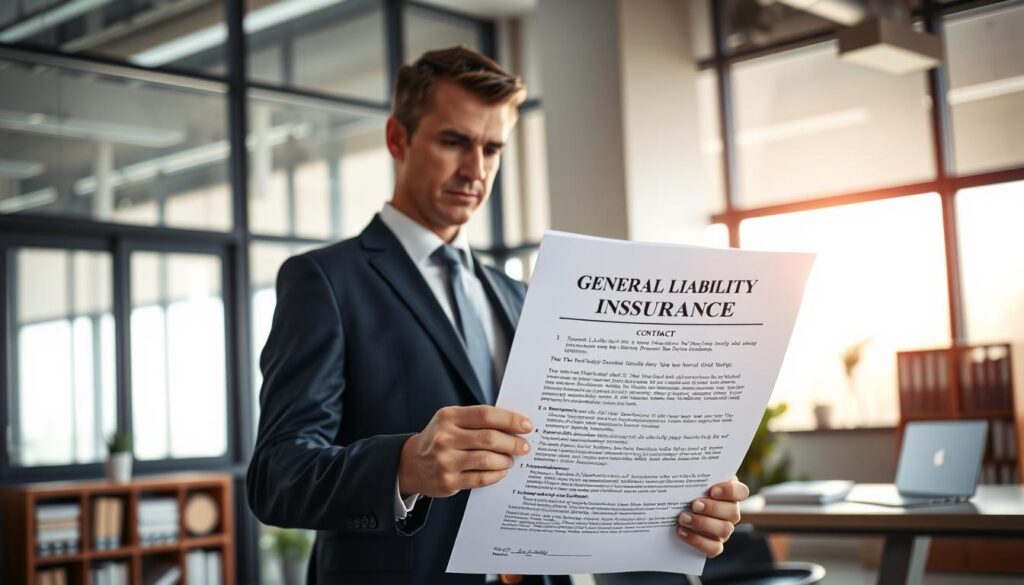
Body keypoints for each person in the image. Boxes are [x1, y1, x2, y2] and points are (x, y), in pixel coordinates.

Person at [247, 45, 749, 585]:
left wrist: (678, 510)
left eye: (492, 149)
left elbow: (568, 463)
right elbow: (278, 474)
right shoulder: (325, 280)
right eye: (454, 141)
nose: (475, 170)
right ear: (398, 139)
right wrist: (406, 466)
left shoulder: (519, 294)